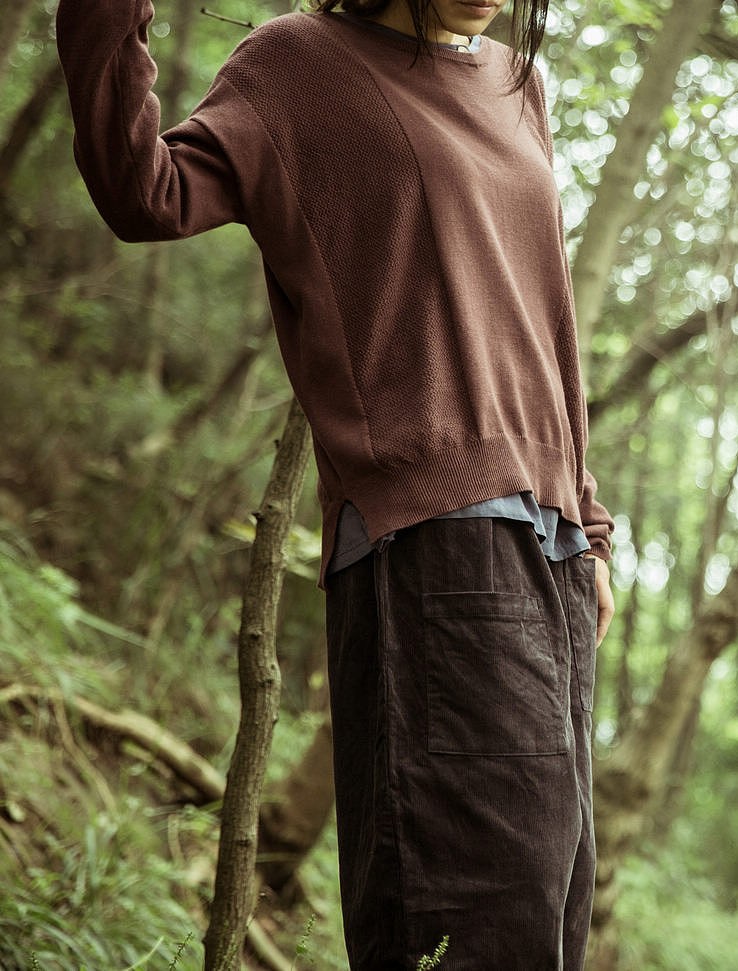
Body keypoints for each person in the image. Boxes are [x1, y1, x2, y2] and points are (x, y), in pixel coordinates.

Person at [56, 0, 616, 966]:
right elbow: (145, 192)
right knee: (476, 924)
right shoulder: (299, 63)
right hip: (437, 543)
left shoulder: (516, 82)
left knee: (550, 919)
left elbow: (543, 317)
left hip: (556, 553)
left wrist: (590, 521)